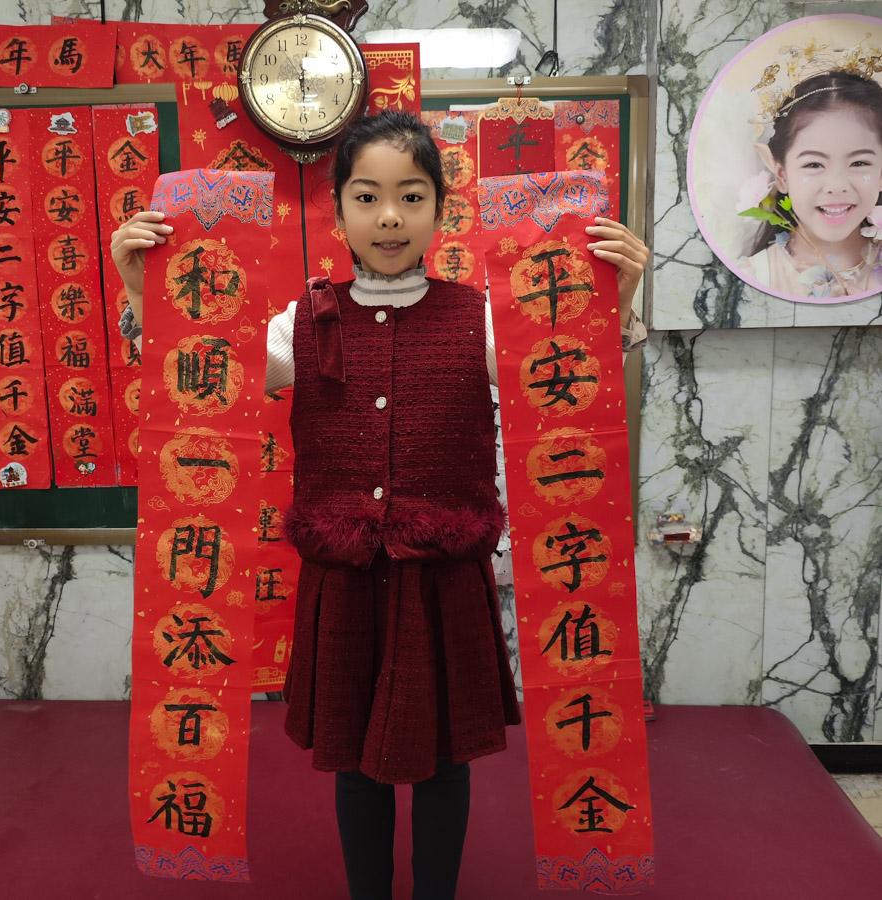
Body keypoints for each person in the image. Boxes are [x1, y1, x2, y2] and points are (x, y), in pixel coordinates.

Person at [111, 110, 648, 900]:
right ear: (339, 208)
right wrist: (139, 286)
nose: (389, 216)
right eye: (367, 196)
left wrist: (614, 296)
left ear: (440, 209)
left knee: (445, 764)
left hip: (444, 578)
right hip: (346, 578)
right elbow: (211, 372)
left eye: (411, 196)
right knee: (353, 762)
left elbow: (565, 372)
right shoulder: (301, 321)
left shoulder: (484, 316)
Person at [740, 70, 882, 298]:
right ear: (782, 175)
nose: (836, 186)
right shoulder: (751, 278)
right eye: (814, 165)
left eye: (858, 163)